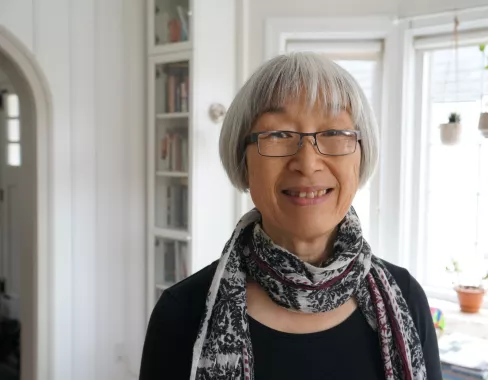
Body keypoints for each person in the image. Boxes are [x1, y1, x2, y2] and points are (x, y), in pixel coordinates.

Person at [139, 52, 442, 380]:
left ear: (361, 155)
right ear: (244, 161)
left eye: (334, 133)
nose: (308, 162)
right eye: (279, 134)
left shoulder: (406, 298)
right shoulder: (182, 313)